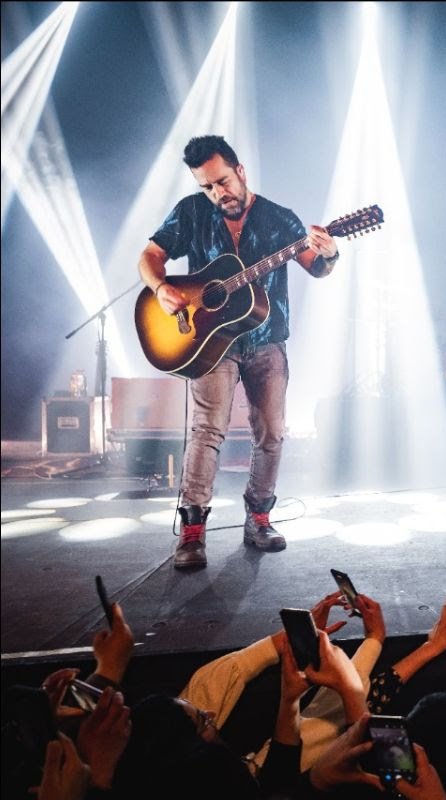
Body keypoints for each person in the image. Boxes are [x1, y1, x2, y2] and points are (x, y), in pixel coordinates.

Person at [137, 135, 340, 569]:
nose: (218, 193)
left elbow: (316, 268)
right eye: (207, 187)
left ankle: (259, 519)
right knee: (207, 431)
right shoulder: (191, 212)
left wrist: (330, 253)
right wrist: (160, 287)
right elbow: (150, 255)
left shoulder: (279, 219)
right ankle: (192, 532)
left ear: (240, 171)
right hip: (209, 343)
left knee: (272, 431)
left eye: (223, 182)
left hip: (266, 340)